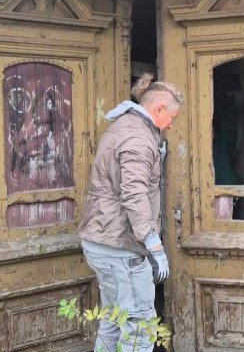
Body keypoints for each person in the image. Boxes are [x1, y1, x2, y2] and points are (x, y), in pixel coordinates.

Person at [78, 73, 183, 352]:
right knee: (140, 329)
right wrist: (154, 246)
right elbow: (134, 194)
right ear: (159, 109)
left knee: (113, 321)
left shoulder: (125, 127)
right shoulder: (138, 138)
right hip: (120, 248)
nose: (171, 125)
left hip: (102, 241)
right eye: (172, 117)